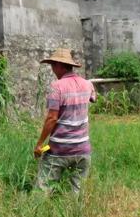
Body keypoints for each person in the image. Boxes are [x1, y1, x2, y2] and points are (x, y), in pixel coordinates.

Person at [33, 48, 96, 194]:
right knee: (77, 193)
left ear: (59, 65)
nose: (53, 69)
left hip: (60, 150)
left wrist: (39, 144)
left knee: (43, 190)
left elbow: (52, 118)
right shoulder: (88, 84)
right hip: (83, 149)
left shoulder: (57, 87)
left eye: (53, 65)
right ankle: (75, 216)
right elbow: (93, 98)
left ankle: (36, 215)